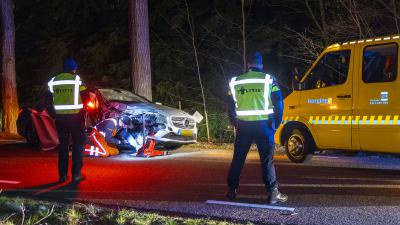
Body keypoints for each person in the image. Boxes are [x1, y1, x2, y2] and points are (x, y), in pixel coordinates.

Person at [226, 52, 287, 204]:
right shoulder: (268, 79)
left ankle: (232, 191)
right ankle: (272, 193)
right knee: (267, 161)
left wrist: (235, 122)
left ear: (247, 64)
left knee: (238, 159)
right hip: (264, 126)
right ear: (261, 64)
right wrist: (276, 123)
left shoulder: (235, 81)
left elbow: (230, 105)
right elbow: (279, 102)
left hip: (243, 126)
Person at [48, 58, 89, 183]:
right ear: (74, 69)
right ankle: (76, 174)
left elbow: (49, 97)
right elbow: (86, 95)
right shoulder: (76, 80)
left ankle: (62, 175)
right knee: (79, 145)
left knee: (63, 146)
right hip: (76, 118)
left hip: (60, 118)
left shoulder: (54, 81)